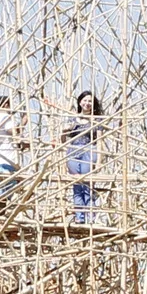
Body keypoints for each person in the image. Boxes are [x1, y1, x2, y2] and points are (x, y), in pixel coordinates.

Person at [63, 90, 105, 224]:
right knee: (76, 184)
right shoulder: (72, 119)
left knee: (88, 184)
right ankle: (79, 217)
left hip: (89, 151)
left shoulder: (96, 120)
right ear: (80, 102)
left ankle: (91, 216)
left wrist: (99, 161)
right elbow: (62, 140)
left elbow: (100, 141)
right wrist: (64, 131)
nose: (87, 103)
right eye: (85, 100)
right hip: (73, 151)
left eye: (90, 101)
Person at [0, 94, 29, 195]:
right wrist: (23, 122)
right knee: (2, 193)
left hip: (2, 161)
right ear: (5, 105)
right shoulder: (4, 117)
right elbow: (13, 131)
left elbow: (10, 139)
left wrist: (22, 144)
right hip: (5, 162)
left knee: (3, 195)